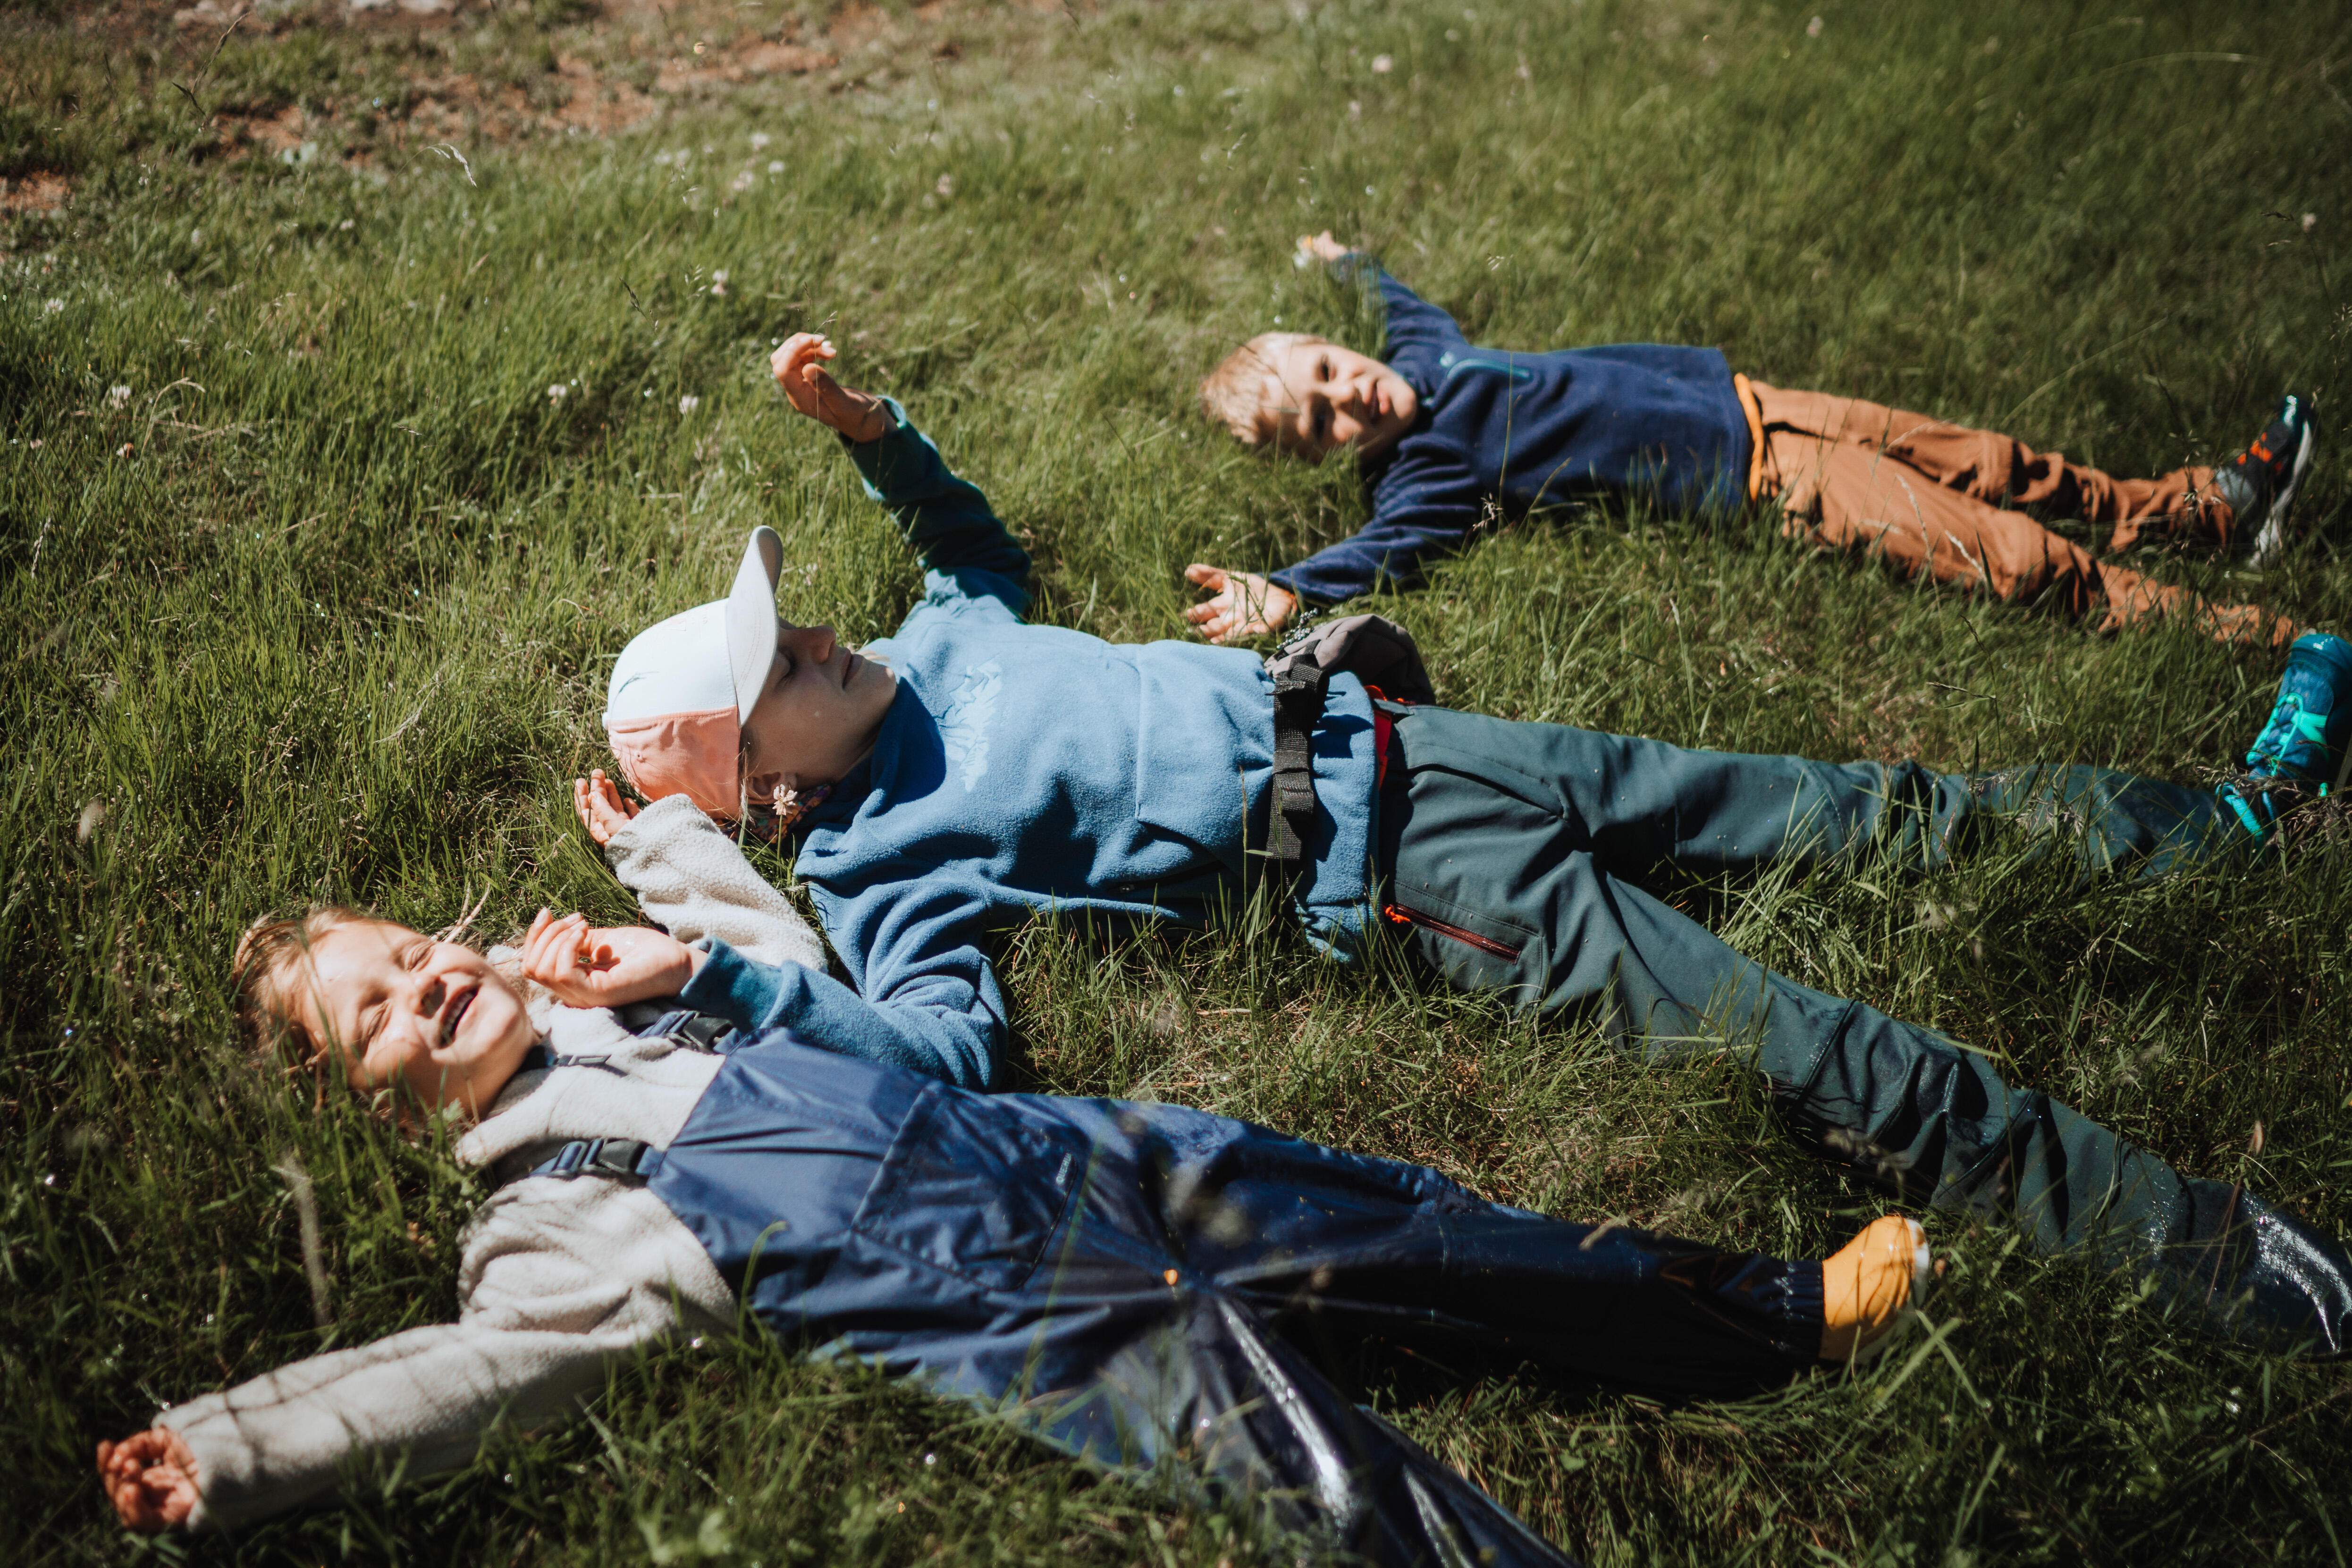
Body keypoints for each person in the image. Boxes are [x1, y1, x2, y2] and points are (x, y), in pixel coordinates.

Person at [582, 331, 2352, 1357]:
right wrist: (727, 968)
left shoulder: (940, 634)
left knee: (1852, 805)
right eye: (778, 673)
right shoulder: (880, 867)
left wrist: (870, 433)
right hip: (1419, 885)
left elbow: (977, 543)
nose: (810, 638)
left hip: (1421, 732)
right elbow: (944, 1050)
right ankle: (2200, 1249)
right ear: (766, 783)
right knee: (1806, 1039)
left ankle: (2226, 825)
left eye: (789, 622)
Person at [94, 882, 1933, 1562]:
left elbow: (802, 969)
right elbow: (465, 1374)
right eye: (380, 1013)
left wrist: (672, 869)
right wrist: (233, 1442)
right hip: (1039, 1318)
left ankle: (1772, 1311)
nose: (423, 989)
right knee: (1337, 1485)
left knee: (1424, 1228)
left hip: (1101, 1148)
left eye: (411, 953)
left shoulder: (619, 996)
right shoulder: (541, 1229)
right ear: (374, 1090)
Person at [1182, 234, 2319, 648]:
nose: (1350, 398)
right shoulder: (1425, 465)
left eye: (1331, 371)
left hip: (1761, 399)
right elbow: (1396, 546)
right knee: (2014, 556)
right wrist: (1286, 584)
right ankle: (2266, 641)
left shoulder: (1421, 362)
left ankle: (2200, 511)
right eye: (1321, 421)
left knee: (1998, 461)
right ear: (1325, 458)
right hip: (1769, 477)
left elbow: (1405, 313)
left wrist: (1344, 264)